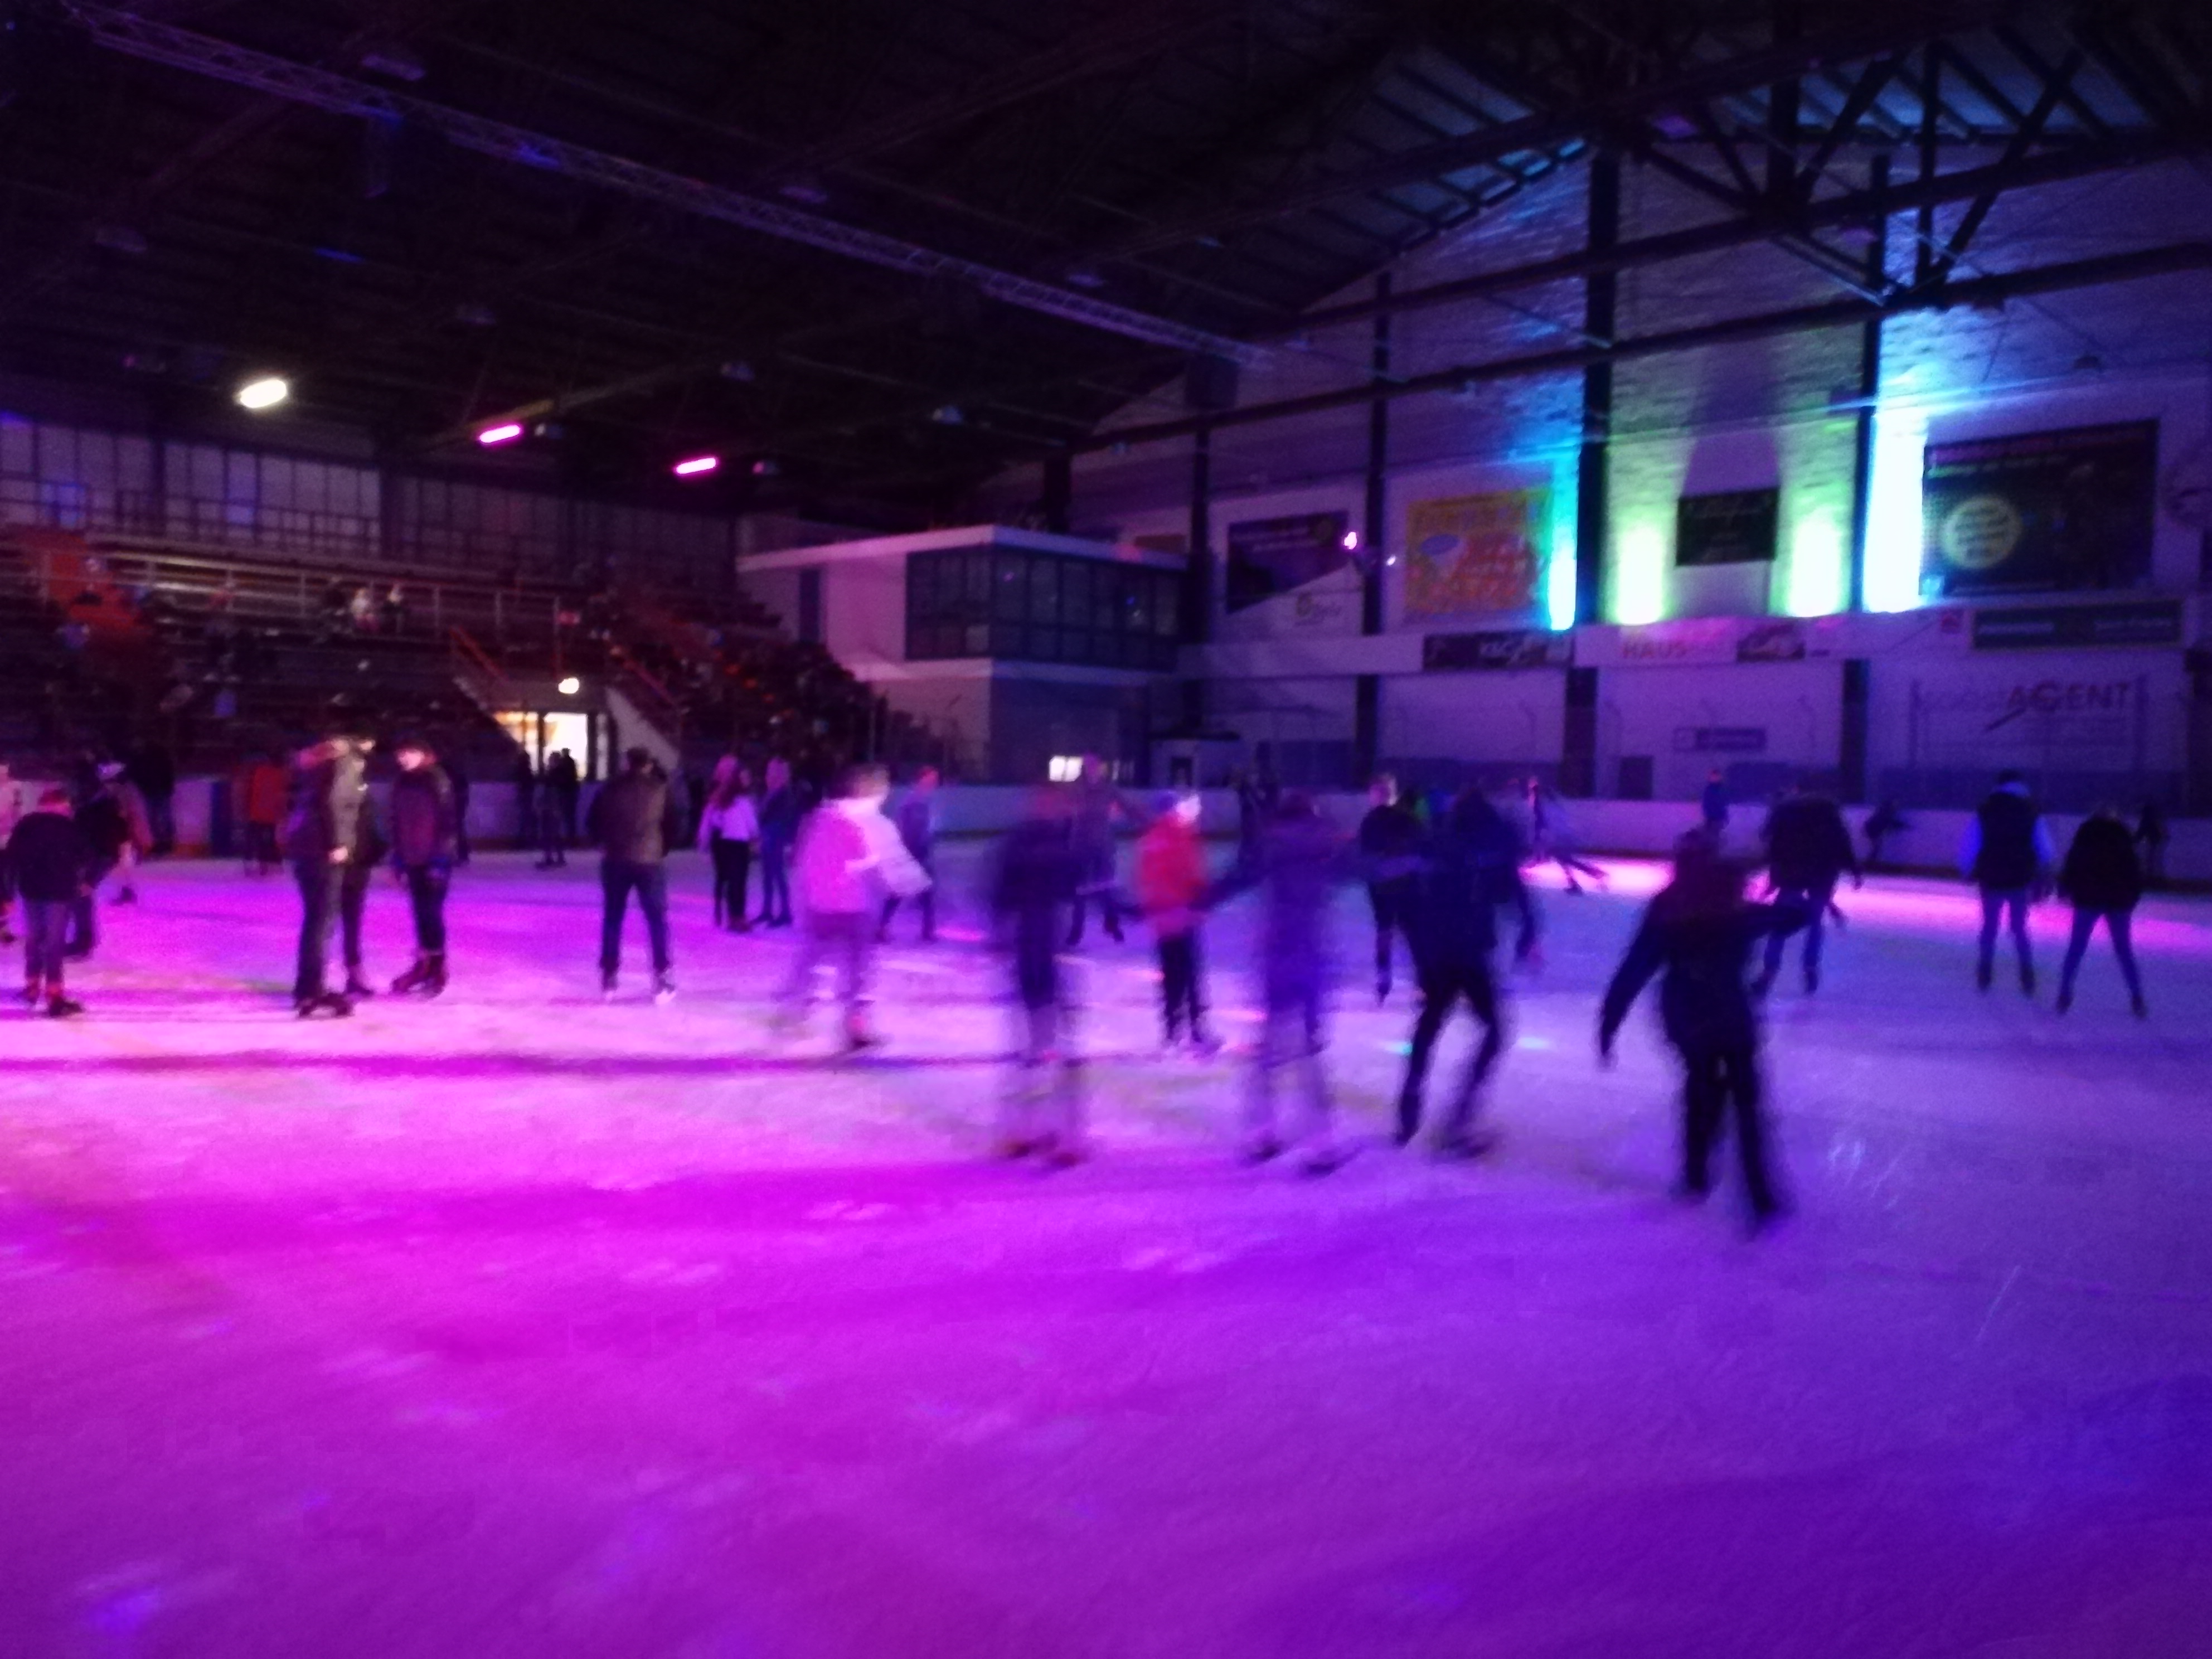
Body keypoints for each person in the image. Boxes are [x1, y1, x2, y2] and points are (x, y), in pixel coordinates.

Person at [1599, 831, 1809, 1235]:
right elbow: (1790, 919)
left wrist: (1610, 1022)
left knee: (1701, 1089)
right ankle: (1760, 1196)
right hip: (1731, 1016)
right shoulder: (1733, 905)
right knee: (1746, 1103)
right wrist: (1788, 889)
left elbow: (1636, 966)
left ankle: (1695, 1176)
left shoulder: (1668, 907)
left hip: (1687, 1015)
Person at [1203, 793, 1352, 1175]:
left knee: (1269, 1050)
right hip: (1311, 957)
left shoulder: (1270, 847)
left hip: (1277, 957)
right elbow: (1368, 866)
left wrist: (1195, 901)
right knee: (1310, 1053)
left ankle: (1262, 1133)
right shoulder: (1326, 847)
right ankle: (1322, 1143)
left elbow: (1235, 880)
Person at [1397, 788, 1540, 1158]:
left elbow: (1409, 901)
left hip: (1438, 952)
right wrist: (1528, 932)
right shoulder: (1487, 851)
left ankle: (1410, 1100)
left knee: (1430, 1024)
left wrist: (1421, 954)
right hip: (1471, 953)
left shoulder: (1437, 845)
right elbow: (1515, 891)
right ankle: (1458, 1119)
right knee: (1494, 1031)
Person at [776, 764, 930, 1050]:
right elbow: (887, 863)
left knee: (813, 962)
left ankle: (797, 1013)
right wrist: (915, 884)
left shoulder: (819, 818)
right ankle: (855, 1026)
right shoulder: (870, 822)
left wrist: (808, 897)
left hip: (821, 907)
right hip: (854, 908)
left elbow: (804, 862)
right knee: (859, 971)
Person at [989, 785, 1089, 1165]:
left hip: (1043, 950)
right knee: (1047, 1046)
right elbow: (1080, 888)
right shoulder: (1055, 846)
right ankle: (1042, 1132)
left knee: (1041, 1045)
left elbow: (1002, 895)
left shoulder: (1030, 844)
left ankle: (1044, 1132)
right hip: (1041, 950)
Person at [587, 748, 684, 1003]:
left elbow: (593, 821)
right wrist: (661, 849)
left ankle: (609, 974)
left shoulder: (610, 789)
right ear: (648, 765)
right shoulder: (660, 789)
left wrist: (602, 843)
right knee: (656, 919)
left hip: (616, 860)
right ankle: (662, 974)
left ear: (626, 763)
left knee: (613, 918)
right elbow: (673, 825)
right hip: (650, 862)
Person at [284, 731, 370, 1017]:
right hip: (323, 851)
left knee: (315, 920)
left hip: (305, 850)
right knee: (322, 921)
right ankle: (312, 990)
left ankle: (307, 988)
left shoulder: (314, 767)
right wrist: (338, 843)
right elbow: (334, 803)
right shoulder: (344, 764)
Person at [1754, 780, 1861, 996]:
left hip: (1792, 876)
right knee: (1814, 924)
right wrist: (1855, 871)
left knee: (1779, 924)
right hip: (1821, 876)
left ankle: (1769, 971)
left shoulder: (1787, 812)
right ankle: (1810, 967)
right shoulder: (1830, 814)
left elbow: (1775, 847)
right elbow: (1843, 845)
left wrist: (1773, 880)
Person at [1134, 790, 1218, 1054]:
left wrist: (1152, 909)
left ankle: (1171, 1032)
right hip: (1184, 914)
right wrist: (1202, 902)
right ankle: (1197, 1030)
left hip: (1162, 919)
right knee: (1190, 974)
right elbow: (1194, 873)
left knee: (1170, 975)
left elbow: (1143, 879)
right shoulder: (1184, 835)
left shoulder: (1150, 839)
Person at [1959, 769, 2055, 996]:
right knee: (2019, 927)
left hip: (1991, 875)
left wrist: (1967, 868)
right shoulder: (2031, 811)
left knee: (1990, 926)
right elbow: (2044, 846)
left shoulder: (1986, 810)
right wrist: (2046, 871)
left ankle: (1985, 970)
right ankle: (2026, 971)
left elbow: (1972, 841)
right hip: (2020, 876)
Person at [2056, 806, 2148, 1017]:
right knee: (2124, 950)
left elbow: (2073, 865)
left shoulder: (2086, 836)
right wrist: (2132, 897)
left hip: (2089, 898)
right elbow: (2134, 872)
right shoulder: (2123, 838)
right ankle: (2137, 997)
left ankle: (2064, 993)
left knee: (2077, 947)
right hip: (2118, 899)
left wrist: (2066, 888)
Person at [9, 788, 91, 1017]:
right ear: (61, 805)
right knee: (54, 943)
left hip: (32, 889)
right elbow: (85, 855)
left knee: (35, 938)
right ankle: (54, 995)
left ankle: (32, 985)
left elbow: (12, 856)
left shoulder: (26, 825)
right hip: (59, 892)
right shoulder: (69, 827)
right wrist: (80, 878)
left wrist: (11, 888)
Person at [388, 738, 459, 996]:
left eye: (409, 753)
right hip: (411, 857)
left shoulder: (436, 780)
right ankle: (424, 964)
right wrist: (397, 860)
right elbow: (395, 822)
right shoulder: (402, 781)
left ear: (423, 754)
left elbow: (448, 822)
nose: (403, 758)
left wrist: (439, 860)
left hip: (434, 858)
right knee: (419, 913)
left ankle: (437, 967)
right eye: (400, 754)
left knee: (430, 912)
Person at [1358, 773, 1424, 1005]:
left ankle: (1384, 977)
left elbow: (1365, 853)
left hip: (1383, 885)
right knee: (1412, 932)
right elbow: (1422, 846)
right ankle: (1420, 982)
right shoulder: (1408, 819)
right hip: (1405, 883)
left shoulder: (1372, 820)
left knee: (1386, 930)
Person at [337, 740, 388, 1000]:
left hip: (356, 863)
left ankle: (353, 971)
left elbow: (372, 828)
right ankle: (318, 980)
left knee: (349, 921)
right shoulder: (345, 789)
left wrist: (375, 853)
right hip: (342, 864)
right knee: (328, 923)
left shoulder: (359, 789)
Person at [1064, 755, 1125, 945]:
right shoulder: (1076, 788)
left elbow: (1126, 805)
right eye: (1088, 765)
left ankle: (1112, 923)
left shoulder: (1108, 788)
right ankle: (1077, 930)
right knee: (1080, 889)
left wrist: (1145, 818)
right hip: (1081, 845)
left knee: (1106, 885)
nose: (1092, 768)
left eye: (1095, 765)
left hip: (1102, 845)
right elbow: (1064, 809)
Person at [879, 767, 940, 943]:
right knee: (904, 891)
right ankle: (926, 930)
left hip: (918, 853)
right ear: (921, 779)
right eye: (931, 779)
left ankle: (927, 929)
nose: (934, 783)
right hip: (912, 853)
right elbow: (909, 830)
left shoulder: (922, 800)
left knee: (922, 892)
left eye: (935, 780)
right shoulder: (913, 801)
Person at [698, 759, 759, 932]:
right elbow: (751, 824)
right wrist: (755, 837)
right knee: (738, 882)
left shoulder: (723, 800)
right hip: (738, 845)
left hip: (727, 844)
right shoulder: (742, 802)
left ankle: (734, 916)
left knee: (733, 881)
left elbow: (712, 820)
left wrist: (707, 838)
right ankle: (737, 917)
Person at [1525, 776, 1607, 895]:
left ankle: (1591, 875)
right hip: (1562, 834)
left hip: (1557, 836)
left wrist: (1541, 840)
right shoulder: (1553, 803)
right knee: (1565, 860)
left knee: (1565, 860)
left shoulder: (1539, 805)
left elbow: (1541, 822)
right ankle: (1581, 880)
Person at [756, 757, 800, 927]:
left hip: (776, 837)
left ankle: (785, 912)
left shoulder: (784, 794)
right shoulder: (770, 793)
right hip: (768, 836)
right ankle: (767, 910)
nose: (768, 775)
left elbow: (786, 818)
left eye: (772, 771)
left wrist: (787, 840)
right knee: (768, 875)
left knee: (777, 874)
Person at [128, 740, 177, 857]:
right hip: (154, 790)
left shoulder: (145, 758)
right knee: (158, 817)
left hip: (157, 790)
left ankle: (165, 842)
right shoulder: (143, 759)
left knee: (160, 817)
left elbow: (167, 772)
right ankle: (164, 842)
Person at [242, 752, 288, 875]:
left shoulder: (259, 772)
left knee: (254, 839)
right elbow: (281, 796)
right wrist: (282, 813)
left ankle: (256, 864)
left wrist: (245, 809)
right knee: (268, 840)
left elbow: (249, 792)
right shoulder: (279, 775)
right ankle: (269, 864)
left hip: (256, 814)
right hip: (269, 815)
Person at [0, 759, 19, 946]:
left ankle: (4, 929)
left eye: (4, 773)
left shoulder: (13, 790)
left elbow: (15, 815)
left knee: (6, 887)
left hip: (6, 844)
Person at [1862, 799, 1908, 872]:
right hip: (1873, 830)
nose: (1897, 806)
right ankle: (1869, 865)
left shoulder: (1885, 812)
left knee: (1876, 848)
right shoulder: (1886, 812)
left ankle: (1870, 864)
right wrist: (1902, 826)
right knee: (1876, 848)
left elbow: (1890, 823)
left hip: (1873, 829)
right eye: (1895, 804)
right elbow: (1890, 822)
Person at [2135, 799, 2170, 890]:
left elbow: (2142, 831)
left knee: (2151, 861)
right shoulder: (2155, 819)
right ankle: (2156, 880)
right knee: (2154, 861)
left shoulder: (2147, 819)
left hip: (2154, 841)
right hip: (2156, 841)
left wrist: (2135, 840)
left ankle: (2153, 880)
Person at [550, 749, 583, 843]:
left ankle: (562, 838)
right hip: (570, 791)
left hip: (563, 792)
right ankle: (571, 838)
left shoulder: (561, 767)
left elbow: (556, 779)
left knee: (562, 817)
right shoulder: (570, 764)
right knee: (570, 817)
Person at [511, 749, 538, 846]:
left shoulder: (519, 769)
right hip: (526, 794)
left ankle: (522, 840)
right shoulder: (526, 770)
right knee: (526, 817)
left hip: (524, 794)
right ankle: (525, 840)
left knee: (525, 817)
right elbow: (530, 782)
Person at [1700, 768, 1730, 835]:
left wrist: (1725, 816)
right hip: (1710, 817)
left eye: (1717, 777)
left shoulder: (1723, 789)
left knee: (1717, 834)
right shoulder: (1708, 790)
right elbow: (1706, 803)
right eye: (1713, 777)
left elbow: (1725, 803)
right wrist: (1707, 814)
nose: (1715, 778)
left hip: (1719, 817)